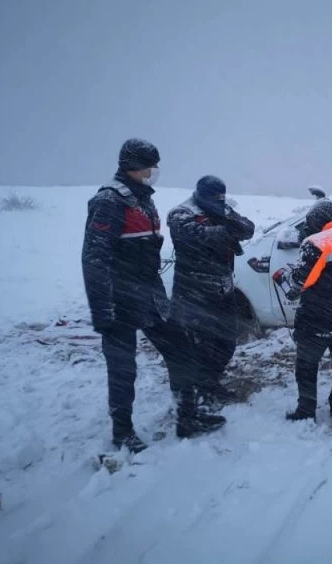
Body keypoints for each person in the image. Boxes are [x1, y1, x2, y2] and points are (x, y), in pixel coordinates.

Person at [82, 138, 225, 452]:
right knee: (123, 370)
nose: (154, 172)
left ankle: (187, 418)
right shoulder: (109, 201)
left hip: (149, 296)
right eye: (149, 166)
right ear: (133, 167)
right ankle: (122, 432)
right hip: (119, 300)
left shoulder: (143, 200)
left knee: (182, 351)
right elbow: (94, 259)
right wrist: (102, 310)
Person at [273, 198, 332, 426]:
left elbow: (295, 286)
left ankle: (306, 411)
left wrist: (282, 277)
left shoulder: (316, 242)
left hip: (318, 319)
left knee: (306, 365)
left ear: (316, 220)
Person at [167, 175, 255, 411]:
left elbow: (248, 228)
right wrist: (227, 229)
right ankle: (200, 393)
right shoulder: (181, 214)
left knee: (226, 340)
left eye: (222, 197)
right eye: (215, 197)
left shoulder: (223, 209)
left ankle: (211, 382)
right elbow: (201, 238)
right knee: (200, 345)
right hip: (193, 291)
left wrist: (228, 222)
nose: (220, 201)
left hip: (223, 288)